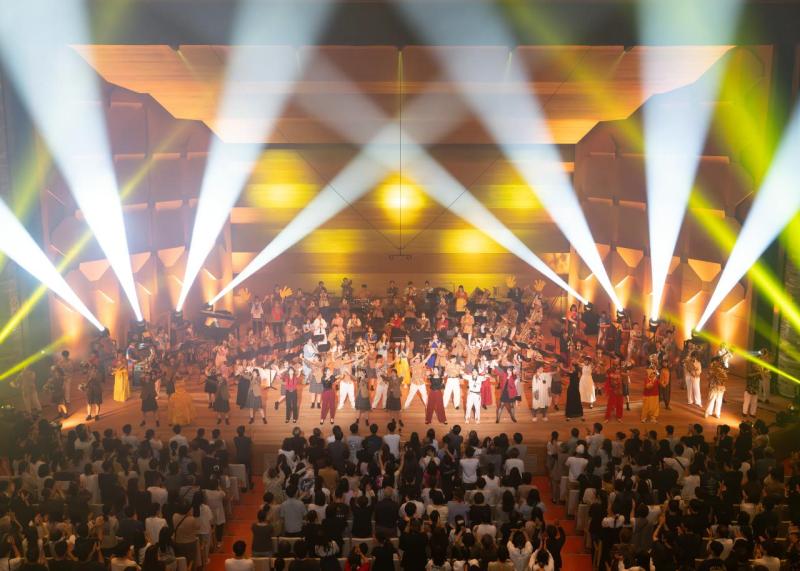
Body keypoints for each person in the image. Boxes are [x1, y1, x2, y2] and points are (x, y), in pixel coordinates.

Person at [641, 355, 660, 423]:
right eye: (653, 359)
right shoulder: (648, 368)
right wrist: (652, 379)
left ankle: (653, 417)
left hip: (655, 391)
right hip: (648, 390)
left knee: (654, 406)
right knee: (646, 405)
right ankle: (644, 417)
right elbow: (648, 376)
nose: (655, 360)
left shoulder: (657, 368)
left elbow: (658, 376)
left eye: (656, 359)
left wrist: (656, 376)